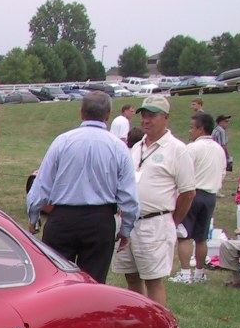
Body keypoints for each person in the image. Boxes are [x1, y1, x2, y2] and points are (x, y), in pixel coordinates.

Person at [27, 91, 139, 283]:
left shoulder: (63, 141)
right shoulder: (118, 147)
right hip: (99, 222)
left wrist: (34, 216)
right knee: (93, 286)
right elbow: (128, 195)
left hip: (62, 220)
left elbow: (42, 184)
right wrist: (126, 229)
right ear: (108, 114)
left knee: (55, 282)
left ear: (81, 113)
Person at [111, 95, 196, 308]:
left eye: (152, 116)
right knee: (131, 276)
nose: (146, 120)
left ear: (166, 117)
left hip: (155, 223)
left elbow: (188, 193)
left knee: (153, 279)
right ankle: (140, 320)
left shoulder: (177, 149)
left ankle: (159, 324)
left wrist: (172, 221)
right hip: (129, 223)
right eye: (144, 116)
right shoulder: (137, 147)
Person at [171, 112, 226, 283]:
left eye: (191, 128)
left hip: (194, 193)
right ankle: (200, 272)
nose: (189, 131)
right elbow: (223, 172)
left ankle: (186, 274)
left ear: (200, 129)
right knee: (201, 237)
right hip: (210, 195)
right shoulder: (219, 149)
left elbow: (183, 171)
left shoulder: (192, 148)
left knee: (184, 235)